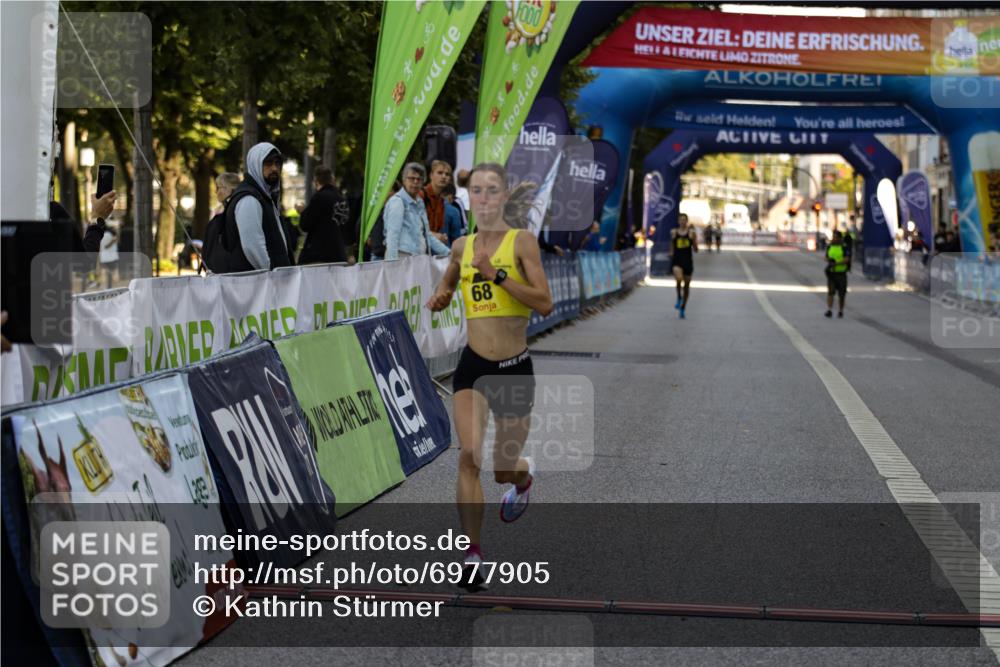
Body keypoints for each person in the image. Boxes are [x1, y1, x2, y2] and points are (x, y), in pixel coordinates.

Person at [425, 162, 553, 592]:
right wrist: (441, 299)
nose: (482, 198)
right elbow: (445, 286)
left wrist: (495, 274)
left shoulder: (522, 244)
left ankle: (523, 476)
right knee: (468, 457)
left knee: (501, 469)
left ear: (502, 197)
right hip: (474, 368)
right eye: (475, 191)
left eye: (490, 191)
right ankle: (472, 555)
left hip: (514, 369)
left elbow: (545, 303)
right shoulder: (461, 247)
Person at [226, 142, 292, 271]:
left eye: (277, 163)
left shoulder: (265, 196)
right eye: (268, 163)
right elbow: (253, 246)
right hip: (261, 284)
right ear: (256, 165)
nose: (274, 168)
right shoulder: (249, 199)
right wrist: (273, 274)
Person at [384, 163, 450, 260]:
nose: (415, 182)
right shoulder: (397, 201)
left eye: (419, 179)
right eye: (411, 178)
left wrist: (449, 252)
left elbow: (427, 235)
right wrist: (392, 264)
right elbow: (392, 236)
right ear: (404, 180)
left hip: (418, 259)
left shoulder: (420, 202)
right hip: (401, 257)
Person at [297, 164, 351, 265]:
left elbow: (305, 225)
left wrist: (302, 212)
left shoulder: (319, 197)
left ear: (316, 182)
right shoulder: (343, 199)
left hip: (320, 256)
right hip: (340, 255)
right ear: (332, 180)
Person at [670, 213, 698, 319]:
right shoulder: (674, 232)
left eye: (684, 220)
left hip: (687, 261)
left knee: (686, 286)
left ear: (687, 221)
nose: (682, 221)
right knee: (678, 278)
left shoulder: (691, 233)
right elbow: (672, 245)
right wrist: (671, 253)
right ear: (678, 221)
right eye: (680, 219)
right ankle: (678, 297)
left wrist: (693, 239)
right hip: (677, 260)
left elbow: (696, 249)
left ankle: (683, 307)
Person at [421, 159, 453, 245]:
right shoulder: (420, 195)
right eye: (440, 173)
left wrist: (440, 237)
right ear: (431, 175)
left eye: (447, 174)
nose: (443, 176)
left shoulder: (441, 201)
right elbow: (411, 228)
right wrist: (433, 235)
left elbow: (436, 229)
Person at [825, 229, 849, 318]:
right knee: (830, 292)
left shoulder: (844, 247)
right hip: (831, 273)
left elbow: (847, 259)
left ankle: (840, 311)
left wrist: (837, 263)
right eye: (833, 237)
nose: (834, 239)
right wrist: (829, 261)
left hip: (841, 273)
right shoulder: (829, 246)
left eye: (836, 237)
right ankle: (829, 310)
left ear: (839, 238)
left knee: (841, 294)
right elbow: (826, 257)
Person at [441, 182, 466, 247]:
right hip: (447, 250)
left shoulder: (425, 205)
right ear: (450, 196)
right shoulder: (453, 210)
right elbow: (456, 237)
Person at [99, 222, 119, 287]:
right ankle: (112, 287)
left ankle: (107, 287)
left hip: (104, 258)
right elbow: (107, 246)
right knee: (113, 273)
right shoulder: (110, 235)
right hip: (112, 257)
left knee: (106, 274)